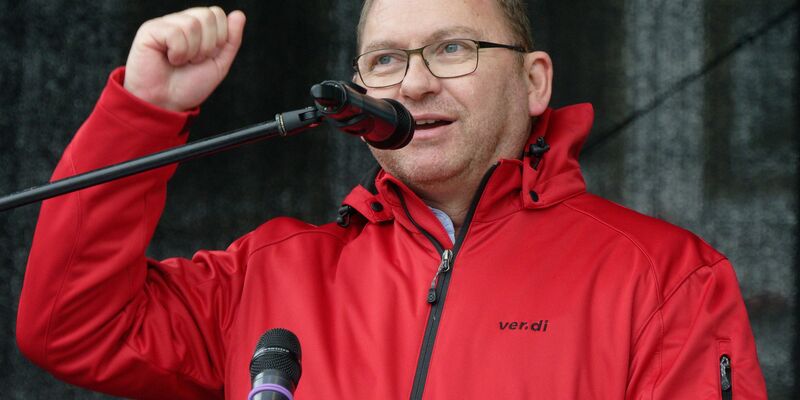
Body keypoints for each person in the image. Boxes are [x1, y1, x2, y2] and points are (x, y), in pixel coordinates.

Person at [16, 1, 768, 399]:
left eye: (452, 48)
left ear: (534, 81)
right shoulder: (270, 274)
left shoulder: (669, 280)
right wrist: (144, 110)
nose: (411, 84)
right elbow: (71, 327)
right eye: (385, 60)